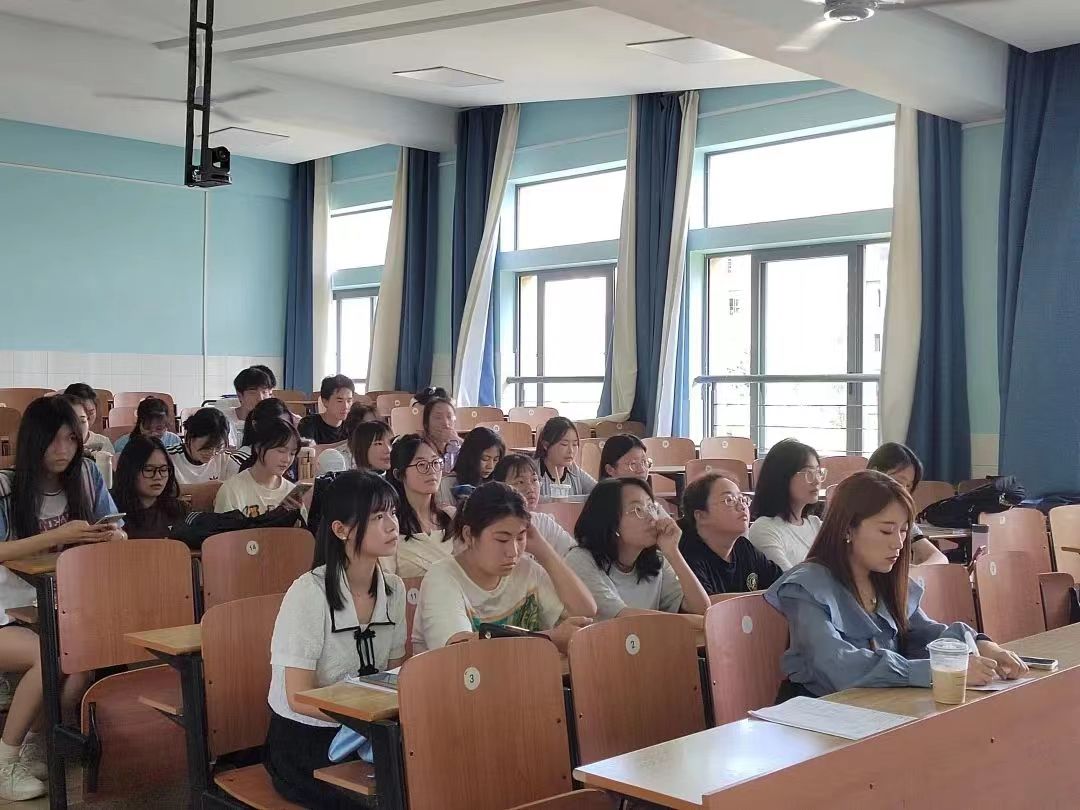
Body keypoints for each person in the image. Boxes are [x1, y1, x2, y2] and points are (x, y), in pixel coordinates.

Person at [765, 471, 1028, 698]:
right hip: (817, 715)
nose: (899, 543)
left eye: (904, 530)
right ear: (847, 529)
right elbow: (837, 665)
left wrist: (978, 643)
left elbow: (924, 633)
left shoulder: (883, 579)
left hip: (877, 706)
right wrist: (939, 670)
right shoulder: (805, 586)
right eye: (886, 531)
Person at [0, 397, 124, 800]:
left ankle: (35, 745)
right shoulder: (5, 486)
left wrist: (113, 536)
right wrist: (58, 536)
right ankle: (4, 760)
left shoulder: (87, 474)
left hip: (58, 606)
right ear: (33, 441)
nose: (63, 450)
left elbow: (116, 526)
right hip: (5, 613)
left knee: (81, 663)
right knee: (49, 657)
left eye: (71, 439)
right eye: (53, 440)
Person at [266, 471, 403, 809]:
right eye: (377, 517)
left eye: (392, 513)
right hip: (307, 738)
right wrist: (367, 719)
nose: (392, 525)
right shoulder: (309, 592)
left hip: (371, 728)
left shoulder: (394, 588)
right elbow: (298, 697)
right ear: (341, 530)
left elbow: (393, 676)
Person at [413, 482, 596, 654]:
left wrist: (544, 552)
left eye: (520, 537)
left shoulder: (525, 569)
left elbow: (585, 611)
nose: (513, 552)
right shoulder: (442, 577)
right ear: (468, 535)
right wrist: (550, 638)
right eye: (502, 539)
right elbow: (460, 649)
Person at [565, 478, 710, 627]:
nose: (652, 518)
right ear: (611, 522)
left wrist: (673, 553)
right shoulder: (580, 560)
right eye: (637, 510)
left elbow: (700, 609)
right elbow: (623, 619)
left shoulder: (656, 561)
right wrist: (692, 622)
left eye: (651, 507)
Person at [679, 473, 782, 596]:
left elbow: (782, 584)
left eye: (742, 499)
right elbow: (705, 603)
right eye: (729, 500)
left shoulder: (744, 547)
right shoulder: (686, 553)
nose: (742, 506)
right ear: (701, 516)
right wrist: (767, 596)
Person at [748, 439, 825, 572]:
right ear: (782, 476)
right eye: (808, 473)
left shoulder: (816, 524)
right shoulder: (764, 528)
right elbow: (790, 580)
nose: (817, 480)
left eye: (818, 472)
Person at [867, 442, 948, 566]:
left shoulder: (900, 516)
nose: (903, 491)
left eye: (908, 486)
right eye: (898, 482)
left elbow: (939, 558)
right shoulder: (854, 510)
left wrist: (913, 571)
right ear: (874, 473)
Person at [387, 435, 454, 578]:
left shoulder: (451, 517)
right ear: (399, 474)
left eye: (435, 462)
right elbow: (387, 582)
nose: (432, 470)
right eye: (422, 465)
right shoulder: (389, 525)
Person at [214, 419, 303, 517]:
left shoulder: (290, 493)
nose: (287, 459)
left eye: (292, 453)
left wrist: (295, 516)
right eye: (281, 451)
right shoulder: (231, 490)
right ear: (258, 448)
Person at [492, 455, 576, 556]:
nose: (531, 489)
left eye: (534, 480)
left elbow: (573, 552)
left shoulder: (543, 522)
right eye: (520, 482)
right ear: (500, 486)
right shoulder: (493, 528)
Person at [112, 436, 188, 539]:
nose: (158, 476)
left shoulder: (177, 510)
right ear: (130, 471)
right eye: (148, 470)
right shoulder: (111, 511)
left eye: (163, 469)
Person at [167, 408, 241, 485]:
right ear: (190, 436)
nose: (212, 453)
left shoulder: (224, 459)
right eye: (207, 447)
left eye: (218, 447)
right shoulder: (169, 457)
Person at [438, 427, 505, 506]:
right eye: (485, 459)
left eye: (495, 460)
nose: (490, 466)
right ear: (470, 456)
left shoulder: (499, 484)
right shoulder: (447, 484)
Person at [534, 417, 596, 498]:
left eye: (574, 444)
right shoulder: (533, 471)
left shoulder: (574, 470)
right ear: (546, 445)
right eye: (564, 444)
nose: (571, 451)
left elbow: (600, 492)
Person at [317, 420, 393, 477]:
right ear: (362, 446)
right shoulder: (335, 460)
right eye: (379, 444)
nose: (388, 450)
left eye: (390, 443)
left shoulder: (388, 471)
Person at [298, 375, 355, 445]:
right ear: (325, 401)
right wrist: (348, 443)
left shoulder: (352, 425)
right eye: (339, 401)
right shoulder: (308, 423)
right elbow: (308, 450)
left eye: (349, 401)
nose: (346, 406)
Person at [225, 366, 274, 448]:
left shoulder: (276, 419)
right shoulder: (226, 419)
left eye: (264, 392)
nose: (260, 398)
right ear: (240, 395)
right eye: (253, 392)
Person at [113, 397, 181, 456]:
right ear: (140, 424)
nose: (153, 433)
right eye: (148, 428)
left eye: (159, 428)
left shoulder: (174, 441)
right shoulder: (122, 444)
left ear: (166, 425)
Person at [415, 388, 460, 470]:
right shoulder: (418, 448)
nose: (445, 423)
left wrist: (458, 441)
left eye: (449, 417)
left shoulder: (457, 445)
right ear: (426, 423)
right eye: (438, 417)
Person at [62, 384, 113, 455]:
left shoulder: (103, 442)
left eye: (91, 412)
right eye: (81, 414)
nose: (86, 418)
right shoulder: (58, 443)